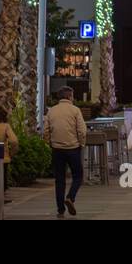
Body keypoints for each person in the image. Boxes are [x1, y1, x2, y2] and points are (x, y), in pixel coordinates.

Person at [44, 86, 86, 217]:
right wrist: (81, 143)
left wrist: (49, 143)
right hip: (73, 148)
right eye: (72, 96)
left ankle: (60, 210)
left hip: (57, 149)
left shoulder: (51, 111)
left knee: (59, 179)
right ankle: (70, 197)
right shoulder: (75, 110)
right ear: (69, 97)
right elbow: (82, 130)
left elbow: (46, 131)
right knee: (78, 176)